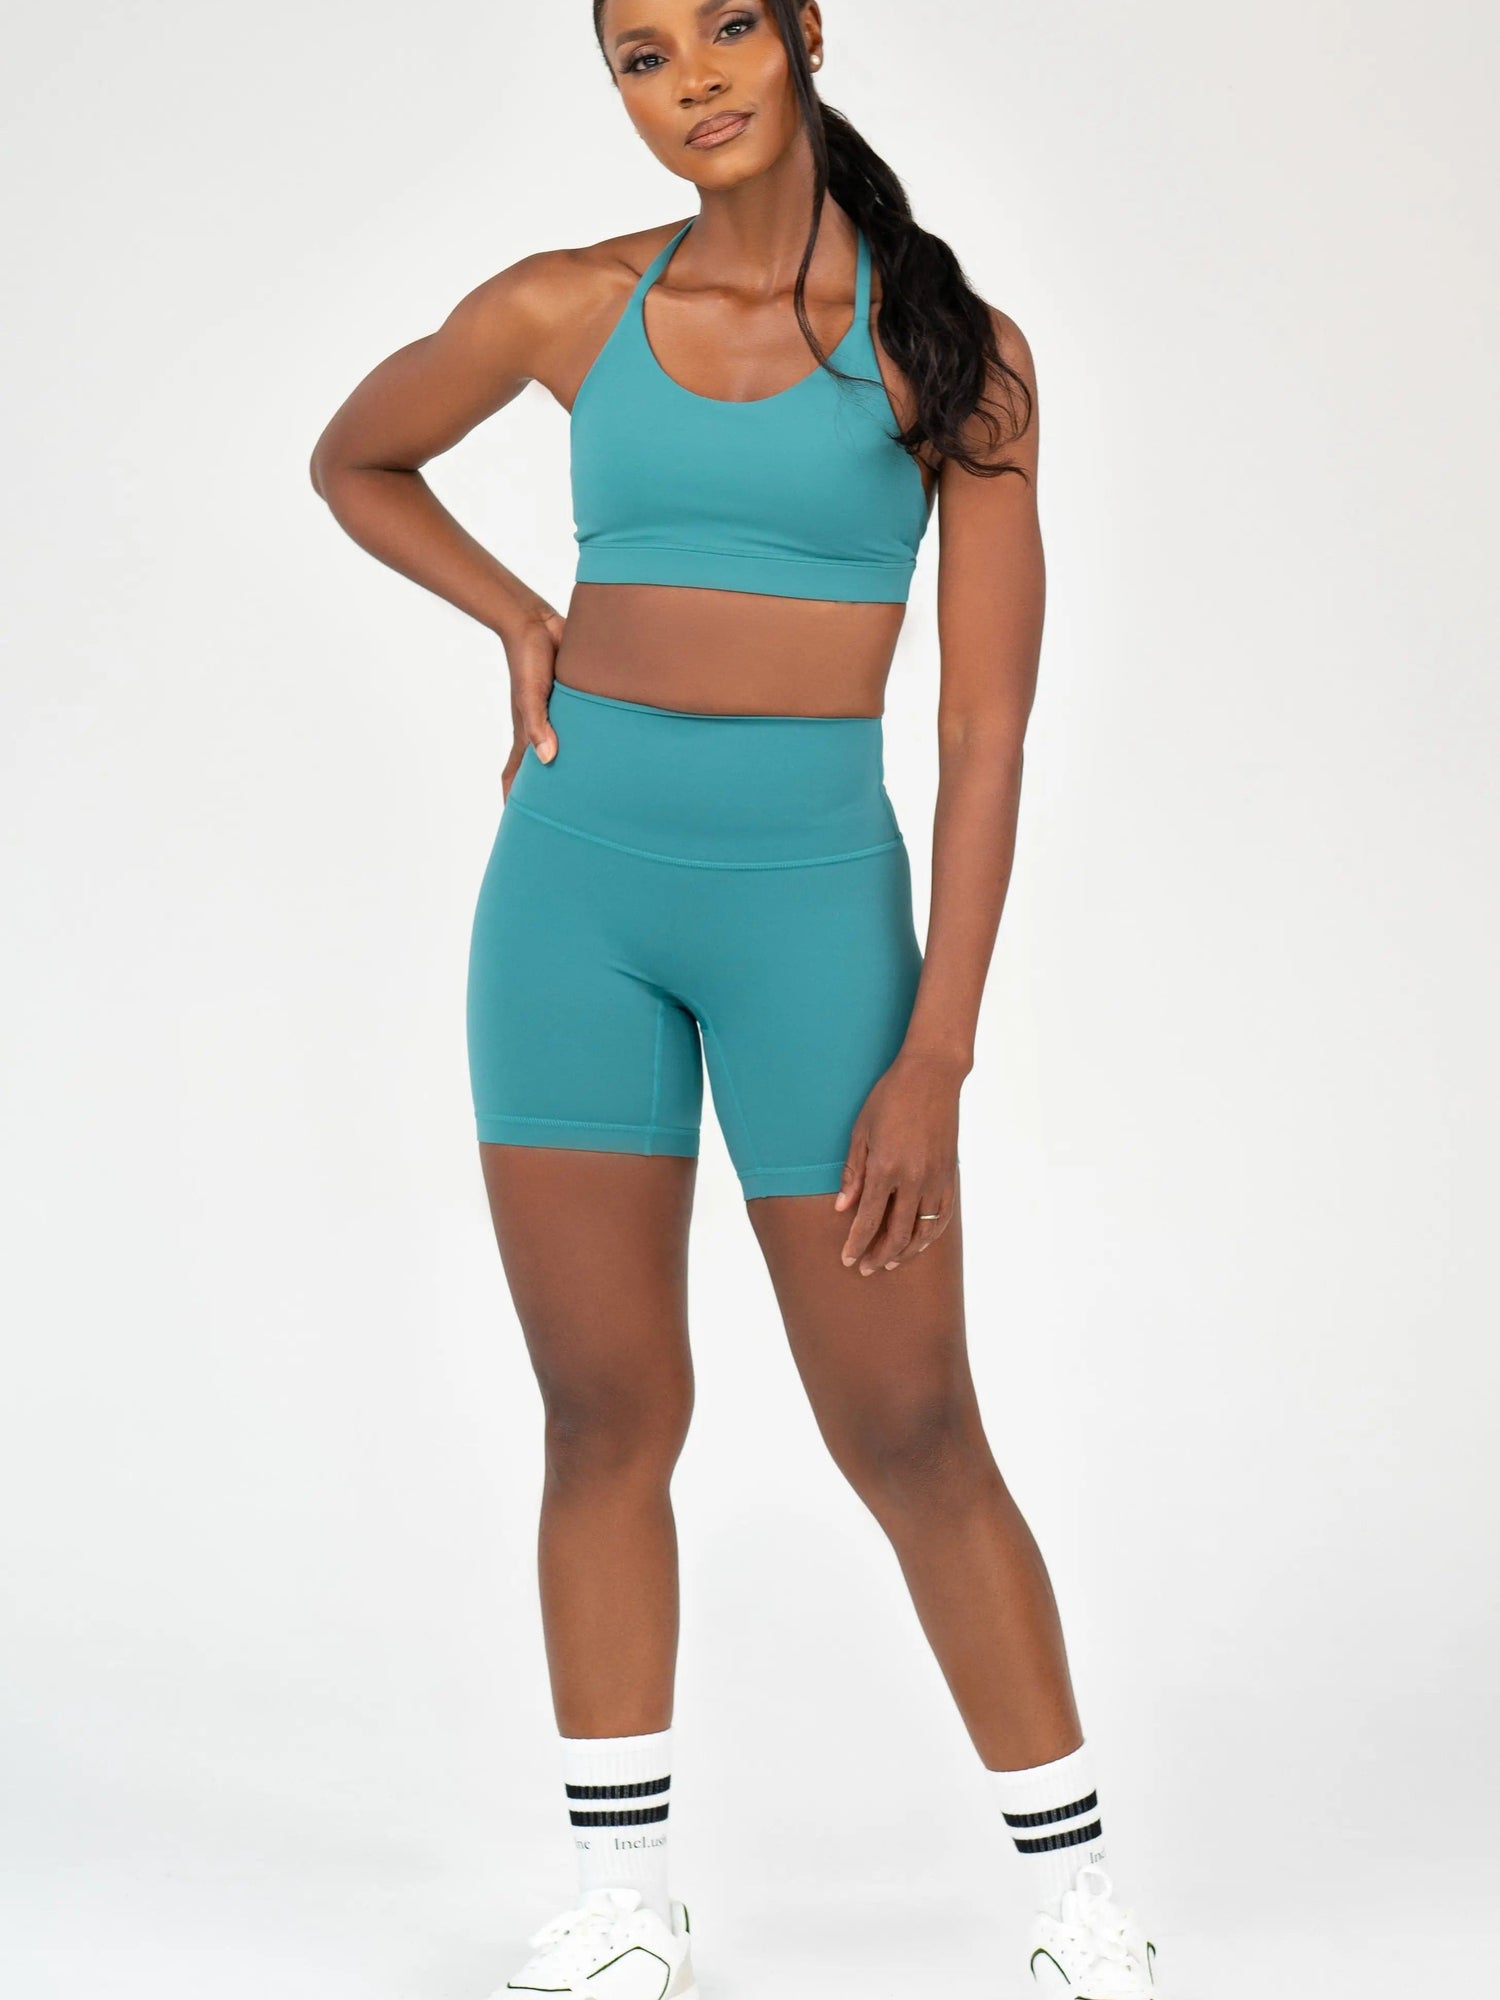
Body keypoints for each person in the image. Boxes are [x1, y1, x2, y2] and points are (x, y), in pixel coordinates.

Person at [310, 2, 1165, 1993]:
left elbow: (984, 733)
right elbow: (356, 458)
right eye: (638, 55)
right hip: (571, 903)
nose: (689, 78)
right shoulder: (563, 307)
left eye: (723, 30)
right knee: (606, 1409)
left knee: (911, 1422)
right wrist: (520, 614)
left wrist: (937, 1049)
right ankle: (626, 1899)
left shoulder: (949, 351)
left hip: (816, 925)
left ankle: (1080, 1904)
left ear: (802, 37)